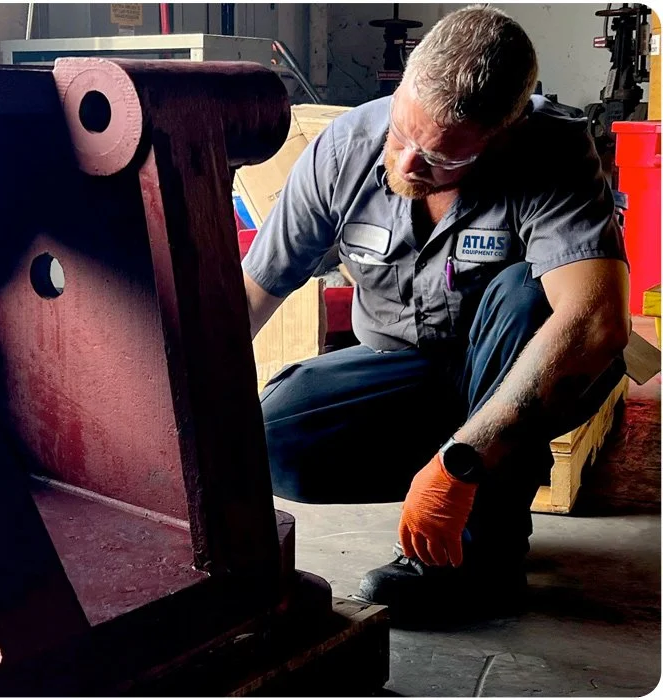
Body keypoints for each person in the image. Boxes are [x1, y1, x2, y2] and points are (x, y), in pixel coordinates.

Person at [242, 5, 630, 623]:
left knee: (530, 296)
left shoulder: (550, 147)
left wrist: (460, 465)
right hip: (404, 372)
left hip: (516, 368)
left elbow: (594, 321)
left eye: (442, 158)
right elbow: (249, 299)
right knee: (269, 438)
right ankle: (483, 480)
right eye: (403, 136)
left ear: (501, 135)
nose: (406, 167)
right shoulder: (344, 148)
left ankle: (481, 559)